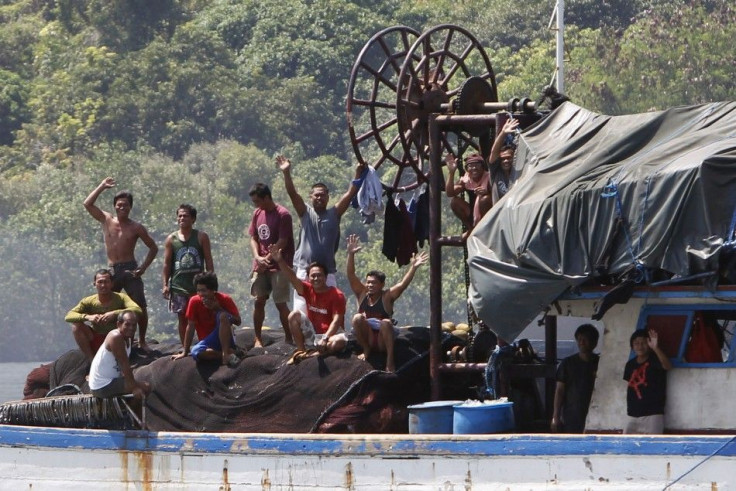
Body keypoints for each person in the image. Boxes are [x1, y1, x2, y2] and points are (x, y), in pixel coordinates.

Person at [276, 154, 365, 313]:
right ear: (311, 197)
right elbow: (292, 193)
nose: (319, 198)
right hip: (304, 269)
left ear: (328, 197)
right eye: (316, 195)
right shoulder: (305, 213)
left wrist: (358, 174)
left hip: (328, 271)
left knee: (330, 309)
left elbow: (350, 194)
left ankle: (330, 336)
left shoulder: (335, 213)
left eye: (322, 195)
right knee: (301, 311)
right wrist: (286, 173)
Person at [84, 178, 158, 350]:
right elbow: (87, 204)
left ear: (130, 207)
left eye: (125, 205)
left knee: (139, 305)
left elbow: (153, 248)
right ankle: (106, 339)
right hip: (112, 270)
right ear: (114, 206)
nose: (122, 208)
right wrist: (102, 186)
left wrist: (143, 268)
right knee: (106, 303)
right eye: (119, 204)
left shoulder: (136, 227)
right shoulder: (107, 219)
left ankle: (143, 340)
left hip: (130, 269)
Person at [346, 234, 428, 372]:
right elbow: (351, 275)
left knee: (386, 323)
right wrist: (351, 254)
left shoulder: (387, 296)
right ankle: (366, 350)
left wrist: (413, 267)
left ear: (382, 284)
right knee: (357, 318)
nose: (370, 285)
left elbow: (402, 284)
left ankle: (390, 361)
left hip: (383, 340)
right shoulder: (362, 293)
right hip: (368, 338)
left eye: (374, 283)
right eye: (368, 282)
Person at [269, 244, 348, 357]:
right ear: (309, 278)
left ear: (325, 277)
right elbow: (292, 278)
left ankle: (316, 354)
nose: (316, 279)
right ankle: (302, 351)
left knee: (338, 342)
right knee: (294, 315)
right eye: (313, 276)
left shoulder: (337, 295)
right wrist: (280, 261)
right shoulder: (307, 289)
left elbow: (337, 321)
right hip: (314, 334)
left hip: (331, 335)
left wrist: (326, 338)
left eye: (319, 275)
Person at [248, 183, 295, 347]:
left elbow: (282, 241)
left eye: (257, 201)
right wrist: (257, 257)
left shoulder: (283, 215)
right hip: (260, 266)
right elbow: (253, 237)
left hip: (279, 266)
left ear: (267, 197)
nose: (256, 205)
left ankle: (290, 338)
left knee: (280, 303)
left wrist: (266, 260)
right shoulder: (257, 213)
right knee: (259, 300)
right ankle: (258, 338)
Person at [162, 204, 214, 345]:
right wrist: (165, 284)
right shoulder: (171, 239)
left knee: (202, 315)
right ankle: (186, 347)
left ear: (193, 219)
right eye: (179, 216)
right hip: (179, 286)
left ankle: (206, 343)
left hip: (198, 286)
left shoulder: (201, 237)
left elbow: (208, 260)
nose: (182, 218)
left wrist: (211, 282)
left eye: (185, 216)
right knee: (182, 317)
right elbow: (167, 264)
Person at [65, 269, 143, 361]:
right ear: (95, 284)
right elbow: (68, 316)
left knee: (130, 318)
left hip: (117, 338)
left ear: (112, 284)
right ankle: (92, 360)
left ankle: (126, 355)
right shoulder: (88, 301)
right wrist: (88, 317)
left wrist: (115, 313)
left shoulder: (121, 297)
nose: (103, 285)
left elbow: (137, 310)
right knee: (76, 326)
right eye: (100, 282)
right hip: (96, 338)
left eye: (106, 282)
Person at [171, 272, 242, 366]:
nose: (201, 294)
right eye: (198, 291)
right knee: (196, 351)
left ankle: (225, 353)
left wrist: (218, 309)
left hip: (226, 338)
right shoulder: (194, 301)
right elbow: (190, 326)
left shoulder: (224, 299)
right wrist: (185, 351)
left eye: (204, 291)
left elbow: (238, 321)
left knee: (223, 315)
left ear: (213, 290)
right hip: (208, 342)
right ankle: (230, 354)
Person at [88, 310, 152, 400]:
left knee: (138, 382)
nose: (131, 328)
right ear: (119, 324)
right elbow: (124, 364)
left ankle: (129, 409)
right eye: (127, 324)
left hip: (112, 380)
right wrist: (134, 388)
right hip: (102, 385)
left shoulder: (127, 338)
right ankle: (133, 412)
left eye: (134, 325)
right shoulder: (115, 337)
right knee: (145, 387)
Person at [551, 324, 600, 433]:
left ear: (595, 342)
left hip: (597, 414)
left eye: (585, 339)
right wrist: (556, 417)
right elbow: (559, 391)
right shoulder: (567, 363)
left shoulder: (600, 363)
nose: (581, 342)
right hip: (572, 416)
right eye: (579, 339)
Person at [623, 329, 673, 434]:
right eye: (636, 343)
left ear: (649, 344)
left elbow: (668, 366)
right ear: (632, 346)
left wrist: (655, 348)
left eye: (643, 343)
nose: (640, 346)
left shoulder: (655, 360)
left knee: (652, 447)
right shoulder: (630, 364)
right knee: (626, 447)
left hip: (653, 414)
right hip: (632, 414)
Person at [444, 152, 491, 236]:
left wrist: (487, 192)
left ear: (483, 167)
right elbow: (450, 193)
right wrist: (451, 172)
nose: (474, 168)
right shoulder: (466, 180)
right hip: (472, 213)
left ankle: (486, 229)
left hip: (489, 214)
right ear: (467, 169)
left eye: (477, 165)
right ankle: (471, 229)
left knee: (485, 199)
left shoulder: (489, 178)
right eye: (470, 166)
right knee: (454, 202)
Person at [488, 117, 520, 205]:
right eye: (503, 159)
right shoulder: (496, 173)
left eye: (508, 158)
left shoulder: (519, 173)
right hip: (500, 215)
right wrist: (503, 133)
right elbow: (494, 151)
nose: (506, 161)